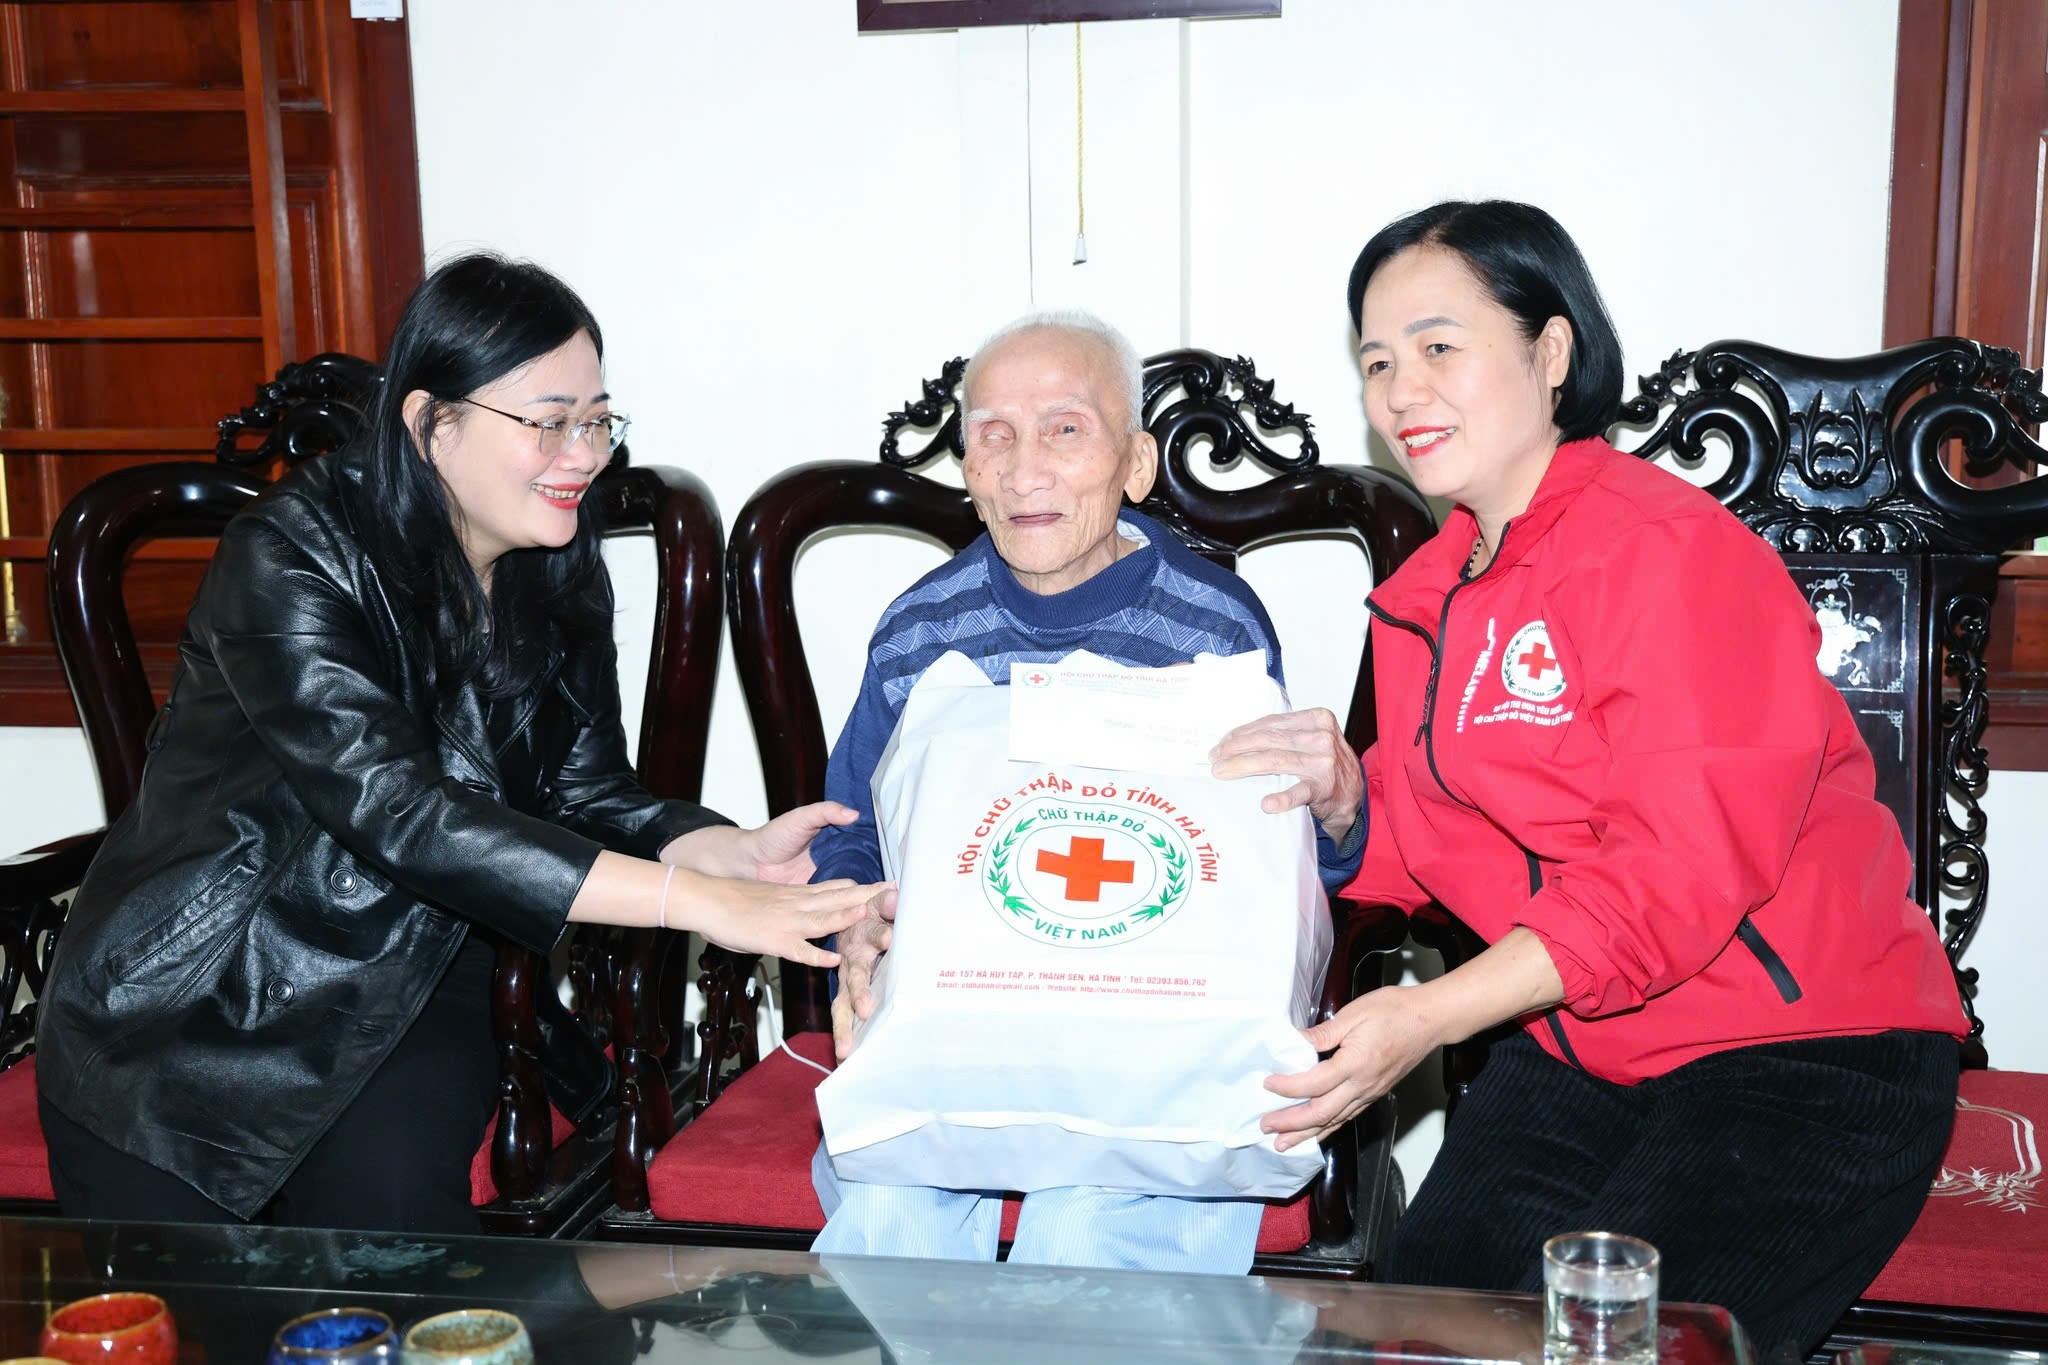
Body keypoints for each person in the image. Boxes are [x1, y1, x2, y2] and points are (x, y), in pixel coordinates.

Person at [1212, 200, 1963, 1360]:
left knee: (1610, 1350)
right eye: (1375, 361)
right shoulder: (1428, 593)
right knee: (1414, 1339)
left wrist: (1424, 1018)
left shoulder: (1664, 549)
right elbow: (1435, 836)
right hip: (1581, 1046)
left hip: (1802, 1054)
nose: (1400, 390)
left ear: (1550, 351)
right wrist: (1345, 802)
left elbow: (1674, 874)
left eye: (1437, 345)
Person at [34, 254, 880, 1234]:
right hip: (198, 1004)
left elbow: (583, 786)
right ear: (432, 423)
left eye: (597, 421)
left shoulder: (555, 557)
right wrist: (692, 903)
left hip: (421, 969)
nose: (582, 455)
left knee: (399, 1255)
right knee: (188, 1303)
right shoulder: (289, 555)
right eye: (548, 422)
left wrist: (717, 849)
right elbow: (397, 810)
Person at [810, 310, 1367, 1275]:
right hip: (960, 1039)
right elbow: (851, 834)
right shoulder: (919, 630)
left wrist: (1338, 806)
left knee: (1088, 1248)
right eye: (994, 435)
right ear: (967, 465)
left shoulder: (1214, 628)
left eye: (1065, 429)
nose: (1025, 469)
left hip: (1155, 1049)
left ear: (1137, 464)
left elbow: (1283, 868)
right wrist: (853, 924)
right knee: (892, 1231)